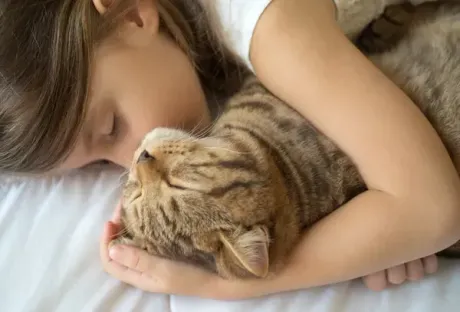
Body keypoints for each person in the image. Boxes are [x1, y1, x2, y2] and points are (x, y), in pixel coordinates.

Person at [1, 0, 459, 300]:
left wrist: (224, 284)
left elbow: (432, 208)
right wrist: (380, 238)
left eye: (111, 127)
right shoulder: (193, 45)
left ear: (133, 16)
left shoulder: (268, 28)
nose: (130, 161)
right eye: (99, 165)